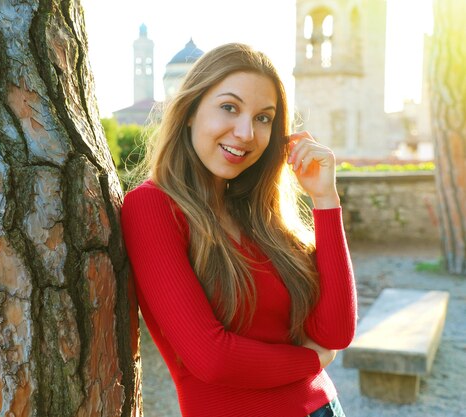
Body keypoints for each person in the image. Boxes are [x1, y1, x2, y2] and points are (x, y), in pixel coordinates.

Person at [120, 43, 357, 417]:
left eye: (264, 118)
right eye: (229, 107)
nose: (246, 132)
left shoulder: (258, 213)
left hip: (325, 408)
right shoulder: (151, 206)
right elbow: (211, 358)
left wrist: (326, 199)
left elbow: (336, 333)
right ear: (189, 111)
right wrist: (312, 361)